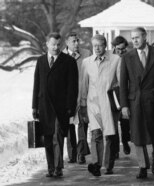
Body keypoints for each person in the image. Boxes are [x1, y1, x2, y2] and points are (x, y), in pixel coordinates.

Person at [120, 27, 154, 179]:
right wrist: (124, 105)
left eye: (137, 37)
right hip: (135, 101)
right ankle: (143, 166)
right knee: (137, 134)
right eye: (133, 38)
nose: (134, 40)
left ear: (145, 37)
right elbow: (123, 83)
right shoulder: (127, 57)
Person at [32, 32, 78, 177]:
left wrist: (70, 106)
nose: (56, 47)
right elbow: (36, 84)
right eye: (53, 44)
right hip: (44, 105)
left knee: (57, 137)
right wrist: (34, 106)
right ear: (47, 44)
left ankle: (58, 168)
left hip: (61, 107)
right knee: (47, 138)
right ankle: (50, 168)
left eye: (58, 45)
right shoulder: (40, 61)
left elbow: (73, 86)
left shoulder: (69, 61)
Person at [79, 34, 121, 176]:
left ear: (105, 45)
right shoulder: (87, 62)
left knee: (110, 135)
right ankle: (96, 164)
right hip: (93, 104)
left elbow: (120, 82)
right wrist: (83, 104)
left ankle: (108, 165)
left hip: (110, 104)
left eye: (100, 45)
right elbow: (84, 85)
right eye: (94, 45)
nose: (97, 48)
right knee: (95, 134)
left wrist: (122, 103)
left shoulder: (115, 60)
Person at [62, 32, 91, 164]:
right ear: (67, 42)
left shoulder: (86, 54)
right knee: (68, 126)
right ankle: (72, 153)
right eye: (73, 41)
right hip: (68, 96)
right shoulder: (61, 56)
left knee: (82, 125)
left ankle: (81, 153)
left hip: (84, 93)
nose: (76, 44)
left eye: (77, 41)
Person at [111, 36, 131, 157]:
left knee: (125, 120)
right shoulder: (109, 57)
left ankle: (125, 140)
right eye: (118, 49)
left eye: (123, 49)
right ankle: (115, 148)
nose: (121, 51)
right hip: (113, 91)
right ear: (114, 47)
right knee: (113, 121)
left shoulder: (129, 56)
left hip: (126, 90)